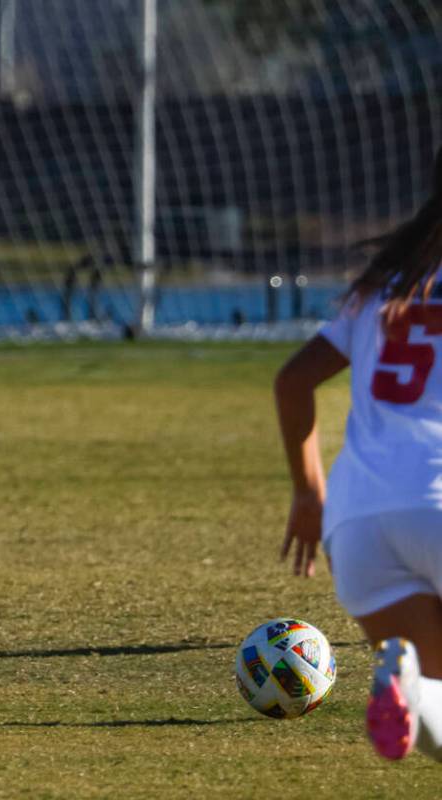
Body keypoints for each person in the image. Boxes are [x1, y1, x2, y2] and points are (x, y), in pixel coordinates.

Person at [275, 145, 442, 761]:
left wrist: (308, 491)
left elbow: (293, 379)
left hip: (359, 521)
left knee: (435, 702)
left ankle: (404, 682)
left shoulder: (388, 280)